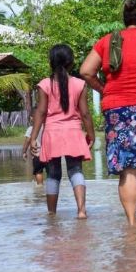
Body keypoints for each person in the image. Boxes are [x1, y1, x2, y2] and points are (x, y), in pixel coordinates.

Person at [79, 0, 136, 226]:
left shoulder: (108, 41)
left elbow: (86, 71)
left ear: (125, 19)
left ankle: (132, 223)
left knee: (128, 168)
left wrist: (105, 88)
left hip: (118, 109)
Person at [29, 44, 95, 217]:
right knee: (76, 170)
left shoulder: (44, 85)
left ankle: (51, 214)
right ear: (71, 63)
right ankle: (81, 210)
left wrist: (33, 137)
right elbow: (85, 113)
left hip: (52, 134)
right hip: (73, 132)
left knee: (53, 174)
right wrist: (91, 134)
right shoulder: (80, 84)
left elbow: (41, 112)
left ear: (51, 63)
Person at [22, 115, 45, 186]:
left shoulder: (31, 128)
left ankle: (40, 187)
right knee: (50, 172)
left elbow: (28, 141)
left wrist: (24, 152)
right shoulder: (45, 127)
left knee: (38, 172)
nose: (30, 118)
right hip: (48, 153)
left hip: (37, 154)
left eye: (31, 117)